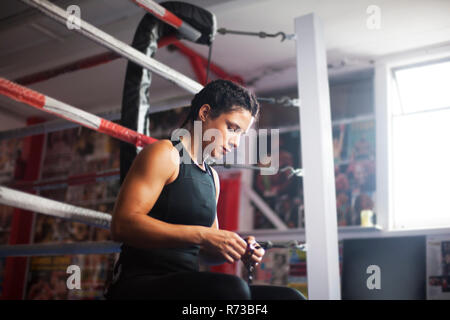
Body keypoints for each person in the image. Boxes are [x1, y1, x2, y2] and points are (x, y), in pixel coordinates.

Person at [104, 80, 305, 300]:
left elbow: (206, 252)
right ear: (205, 113)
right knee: (232, 291)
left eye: (241, 134)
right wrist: (202, 235)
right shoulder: (165, 154)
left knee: (290, 298)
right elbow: (121, 225)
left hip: (186, 284)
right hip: (141, 284)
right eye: (231, 128)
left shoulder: (212, 178)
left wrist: (237, 249)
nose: (236, 142)